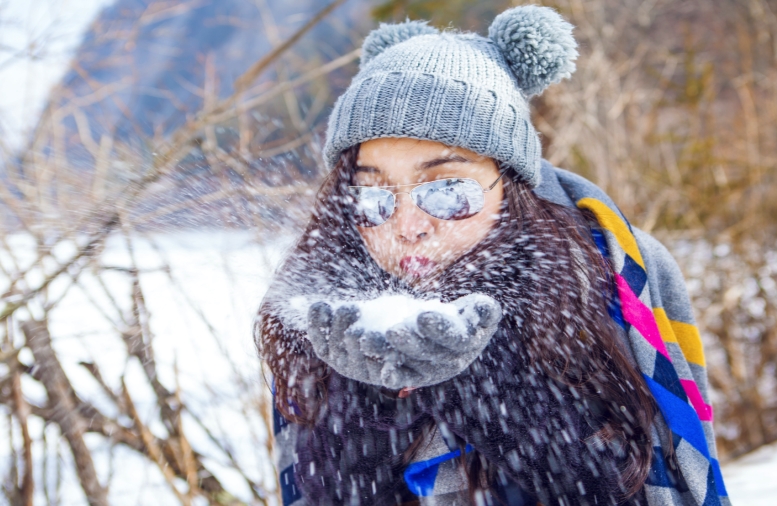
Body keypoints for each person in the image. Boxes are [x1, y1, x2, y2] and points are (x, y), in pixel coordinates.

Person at [255, 6, 730, 506]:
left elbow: (642, 487)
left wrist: (492, 394)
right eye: (373, 198)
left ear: (512, 188)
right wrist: (374, 411)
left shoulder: (604, 287)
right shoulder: (328, 311)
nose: (408, 226)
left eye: (447, 191)